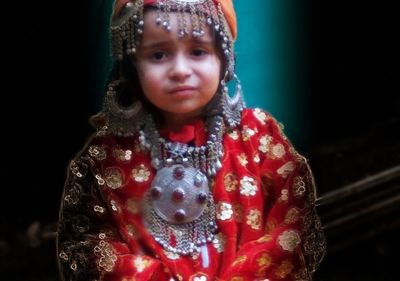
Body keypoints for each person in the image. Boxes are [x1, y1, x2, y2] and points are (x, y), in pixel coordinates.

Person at [56, 0, 326, 280]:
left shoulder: (260, 138)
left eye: (198, 51)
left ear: (224, 58)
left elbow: (294, 230)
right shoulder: (104, 159)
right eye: (159, 55)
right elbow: (89, 251)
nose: (180, 70)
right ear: (132, 65)